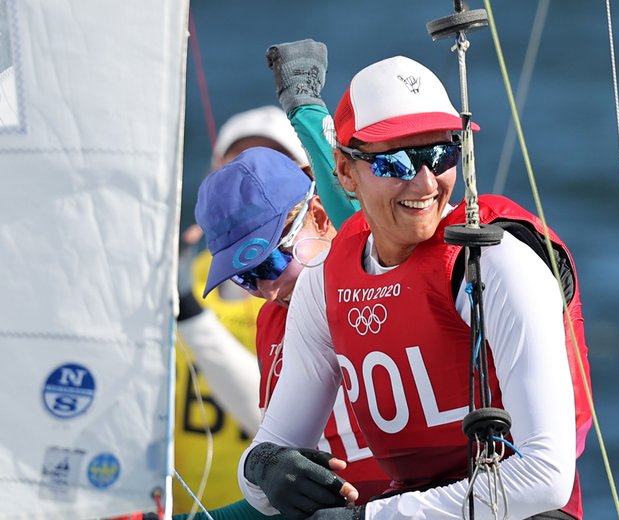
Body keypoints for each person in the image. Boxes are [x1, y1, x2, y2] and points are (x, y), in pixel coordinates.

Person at [235, 53, 594, 520]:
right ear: (344, 171)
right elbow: (263, 470)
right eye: (396, 163)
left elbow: (546, 477)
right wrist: (264, 466)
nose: (425, 182)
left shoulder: (493, 264)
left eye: (440, 155)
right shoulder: (322, 285)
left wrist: (369, 518)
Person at [173, 105, 316, 513]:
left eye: (270, 163)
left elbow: (277, 426)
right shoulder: (186, 275)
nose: (247, 179)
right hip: (187, 506)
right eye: (235, 164)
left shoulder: (297, 290)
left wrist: (189, 315)